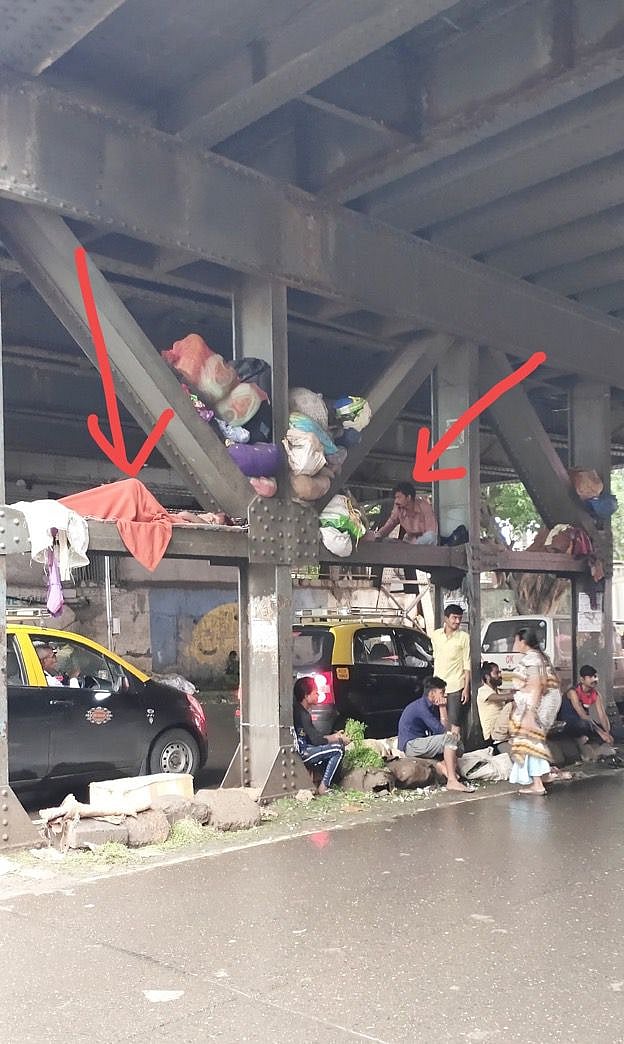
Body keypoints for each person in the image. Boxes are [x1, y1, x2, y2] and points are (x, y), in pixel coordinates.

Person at [508, 627, 562, 795]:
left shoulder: (532, 659)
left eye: (515, 640)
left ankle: (537, 783)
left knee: (529, 740)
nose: (514, 644)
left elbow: (536, 684)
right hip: (545, 701)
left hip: (537, 704)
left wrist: (530, 711)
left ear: (523, 642)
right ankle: (543, 776)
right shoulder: (539, 657)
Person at [397, 676, 473, 792]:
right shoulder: (421, 707)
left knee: (456, 744)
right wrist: (443, 709)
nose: (444, 695)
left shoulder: (432, 707)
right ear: (432, 693)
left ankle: (448, 771)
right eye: (442, 692)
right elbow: (441, 731)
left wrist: (442, 709)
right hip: (411, 745)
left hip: (421, 743)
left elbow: (444, 730)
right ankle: (452, 781)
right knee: (450, 740)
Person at [293, 676, 347, 795]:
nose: (318, 695)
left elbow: (315, 737)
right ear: (306, 696)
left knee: (333, 748)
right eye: (315, 692)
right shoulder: (303, 715)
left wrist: (335, 737)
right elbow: (317, 740)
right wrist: (337, 738)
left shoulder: (300, 711)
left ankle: (319, 780)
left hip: (306, 749)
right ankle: (324, 787)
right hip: (304, 752)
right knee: (338, 749)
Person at [431, 604, 471, 734]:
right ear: (446, 618)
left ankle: (455, 750)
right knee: (439, 721)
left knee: (455, 722)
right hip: (437, 686)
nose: (457, 621)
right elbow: (434, 657)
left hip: (455, 686)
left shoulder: (464, 637)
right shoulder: (436, 635)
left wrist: (466, 688)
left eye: (460, 618)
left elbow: (467, 663)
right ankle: (442, 750)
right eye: (454, 618)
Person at [557, 667, 617, 746]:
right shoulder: (573, 692)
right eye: (590, 677)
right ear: (582, 680)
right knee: (585, 724)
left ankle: (588, 738)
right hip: (569, 723)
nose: (594, 680)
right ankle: (577, 739)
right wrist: (601, 733)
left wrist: (607, 733)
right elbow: (582, 714)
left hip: (585, 722)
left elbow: (602, 715)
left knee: (609, 728)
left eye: (595, 677)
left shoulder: (596, 694)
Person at [368, 481, 437, 546]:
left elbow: (431, 533)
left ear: (408, 497)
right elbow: (389, 525)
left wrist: (416, 544)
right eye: (395, 498)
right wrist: (377, 536)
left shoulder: (424, 506)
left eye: (399, 497)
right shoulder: (398, 508)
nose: (396, 501)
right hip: (408, 542)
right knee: (387, 541)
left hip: (424, 545)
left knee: (430, 537)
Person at [477, 661, 513, 745]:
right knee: (511, 705)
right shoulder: (483, 691)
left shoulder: (499, 691)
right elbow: (501, 697)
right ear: (487, 677)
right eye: (497, 673)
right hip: (492, 734)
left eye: (500, 672)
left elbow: (510, 693)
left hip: (502, 730)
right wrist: (518, 695)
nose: (500, 675)